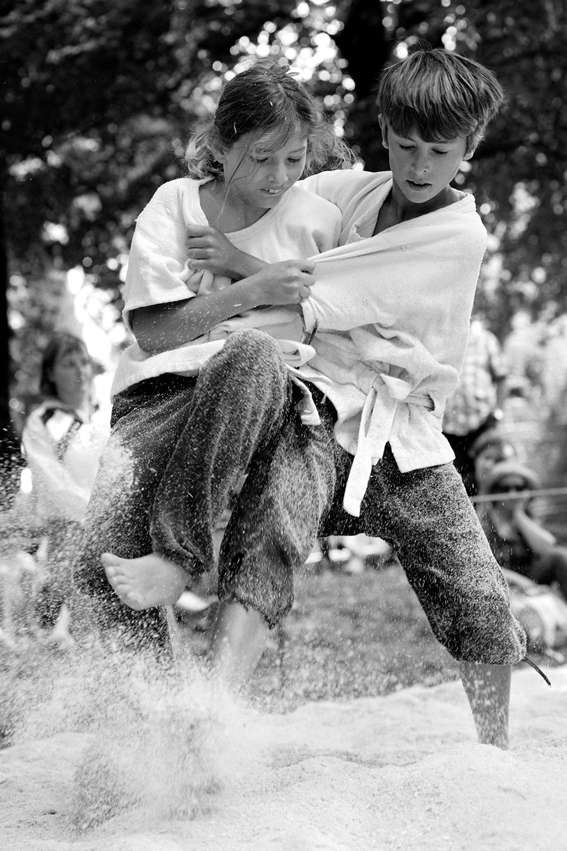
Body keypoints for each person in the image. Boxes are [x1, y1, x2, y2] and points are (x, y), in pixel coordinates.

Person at [78, 47, 530, 749]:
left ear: (469, 146)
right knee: (271, 534)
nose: (417, 166)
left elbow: (322, 293)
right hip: (317, 407)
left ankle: (495, 749)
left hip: (400, 426)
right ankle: (206, 721)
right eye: (404, 145)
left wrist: (239, 266)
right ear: (382, 129)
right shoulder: (348, 192)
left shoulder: (458, 233)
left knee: (471, 582)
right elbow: (275, 213)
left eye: (439, 152)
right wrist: (232, 233)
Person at [73, 60, 353, 674]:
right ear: (221, 146)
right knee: (100, 553)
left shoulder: (321, 221)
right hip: (163, 390)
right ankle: (148, 712)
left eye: (294, 158)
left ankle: (179, 556)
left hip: (267, 388)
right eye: (260, 158)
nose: (278, 177)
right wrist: (257, 290)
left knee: (248, 355)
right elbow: (153, 329)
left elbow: (340, 315)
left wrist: (241, 270)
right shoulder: (174, 205)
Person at [21, 332, 109, 647]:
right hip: (68, 538)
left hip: (115, 533)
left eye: (83, 362)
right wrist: (97, 514)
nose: (80, 370)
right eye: (69, 364)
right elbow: (52, 484)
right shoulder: (41, 422)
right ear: (50, 374)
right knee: (84, 633)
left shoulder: (108, 415)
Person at [476, 460, 567, 601]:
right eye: (505, 488)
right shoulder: (484, 522)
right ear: (495, 491)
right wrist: (523, 583)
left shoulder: (527, 518)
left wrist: (519, 515)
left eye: (519, 488)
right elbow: (483, 565)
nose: (512, 494)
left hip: (532, 578)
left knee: (561, 556)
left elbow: (549, 549)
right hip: (499, 583)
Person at [442, 316, 509, 495]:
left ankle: (488, 521)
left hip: (483, 425)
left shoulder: (485, 340)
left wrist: (497, 413)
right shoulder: (441, 340)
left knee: (489, 478)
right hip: (448, 429)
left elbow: (502, 379)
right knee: (455, 482)